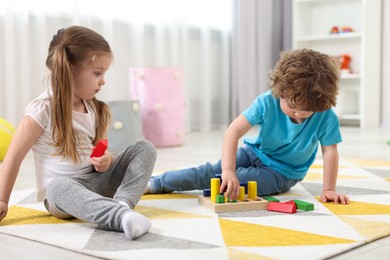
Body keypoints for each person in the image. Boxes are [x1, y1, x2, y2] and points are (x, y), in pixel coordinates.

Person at [0, 25, 157, 240]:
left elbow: (100, 150)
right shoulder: (42, 109)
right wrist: (2, 200)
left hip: (95, 183)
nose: (103, 80)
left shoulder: (95, 108)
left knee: (144, 147)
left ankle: (122, 205)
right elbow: (14, 157)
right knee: (56, 187)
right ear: (70, 69)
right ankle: (120, 217)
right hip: (62, 196)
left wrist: (106, 159)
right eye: (97, 73)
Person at [145, 48, 349, 205]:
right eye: (292, 106)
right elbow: (233, 131)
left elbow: (330, 151)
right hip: (254, 153)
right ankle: (156, 183)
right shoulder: (267, 102)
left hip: (283, 173)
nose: (298, 114)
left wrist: (329, 189)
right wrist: (228, 169)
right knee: (214, 171)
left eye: (306, 111)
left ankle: (166, 183)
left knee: (228, 182)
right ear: (280, 91)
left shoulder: (325, 115)